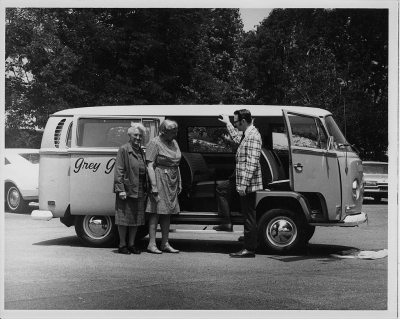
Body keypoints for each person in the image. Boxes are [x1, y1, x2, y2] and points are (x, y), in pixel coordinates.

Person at [218, 110, 263, 258]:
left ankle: (249, 248)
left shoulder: (254, 136)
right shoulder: (248, 134)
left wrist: (244, 185)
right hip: (243, 181)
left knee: (248, 215)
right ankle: (249, 242)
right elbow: (237, 138)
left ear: (243, 122)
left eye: (236, 122)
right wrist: (229, 124)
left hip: (247, 183)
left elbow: (252, 163)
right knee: (247, 213)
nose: (236, 125)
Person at [145, 119, 181, 254]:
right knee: (156, 211)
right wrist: (154, 186)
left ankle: (165, 243)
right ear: (163, 131)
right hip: (159, 178)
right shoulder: (154, 143)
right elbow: (149, 166)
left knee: (167, 213)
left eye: (175, 131)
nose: (175, 134)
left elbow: (176, 163)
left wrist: (179, 181)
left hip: (172, 179)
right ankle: (152, 244)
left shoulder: (173, 142)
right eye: (172, 132)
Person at [114, 123, 148, 255]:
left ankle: (131, 244)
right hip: (127, 188)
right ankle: (122, 245)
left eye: (140, 135)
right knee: (123, 219)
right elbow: (119, 170)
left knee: (135, 218)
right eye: (135, 135)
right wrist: (120, 189)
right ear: (129, 135)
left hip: (139, 187)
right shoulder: (123, 149)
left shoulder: (140, 150)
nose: (138, 137)